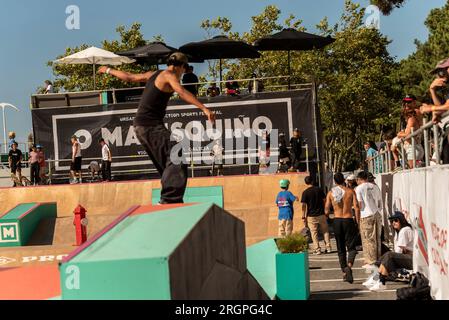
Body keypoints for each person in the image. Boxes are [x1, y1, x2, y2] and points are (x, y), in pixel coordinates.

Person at [98, 52, 215, 204]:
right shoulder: (169, 75)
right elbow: (181, 92)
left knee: (167, 164)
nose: (182, 75)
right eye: (184, 71)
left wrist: (107, 70)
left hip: (141, 126)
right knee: (175, 153)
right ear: (181, 67)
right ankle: (169, 199)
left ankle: (168, 197)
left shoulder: (155, 74)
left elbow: (130, 77)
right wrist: (204, 108)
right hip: (149, 125)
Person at [325, 173, 361, 284]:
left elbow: (326, 210)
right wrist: (357, 222)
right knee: (351, 248)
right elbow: (357, 207)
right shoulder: (350, 192)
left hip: (337, 220)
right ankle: (349, 266)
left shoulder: (331, 193)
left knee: (340, 249)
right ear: (344, 180)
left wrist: (330, 219)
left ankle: (344, 272)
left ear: (335, 182)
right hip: (348, 219)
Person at [365, 211, 414, 292]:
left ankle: (380, 281)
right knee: (388, 256)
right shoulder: (399, 231)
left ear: (401, 220)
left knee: (389, 256)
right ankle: (377, 278)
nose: (393, 223)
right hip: (409, 258)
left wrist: (390, 262)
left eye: (396, 220)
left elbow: (398, 252)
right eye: (392, 221)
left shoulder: (404, 230)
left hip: (413, 260)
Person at [356, 171, 383, 269]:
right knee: (377, 238)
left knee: (368, 239)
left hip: (366, 214)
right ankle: (377, 259)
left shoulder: (359, 188)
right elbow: (380, 202)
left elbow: (359, 205)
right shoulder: (375, 187)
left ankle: (370, 261)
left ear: (359, 179)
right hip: (377, 213)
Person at [301, 176, 332, 255]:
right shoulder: (319, 189)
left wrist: (303, 216)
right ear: (312, 181)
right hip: (321, 214)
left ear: (306, 183)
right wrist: (326, 210)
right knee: (325, 231)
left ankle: (317, 249)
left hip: (311, 215)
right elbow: (324, 200)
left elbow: (304, 206)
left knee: (314, 233)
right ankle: (328, 247)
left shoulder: (305, 192)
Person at [396, 96, 424, 169]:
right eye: (405, 102)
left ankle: (398, 165)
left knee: (413, 174)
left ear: (414, 102)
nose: (406, 104)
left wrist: (399, 134)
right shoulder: (417, 113)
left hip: (413, 149)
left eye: (409, 102)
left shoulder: (412, 117)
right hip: (416, 147)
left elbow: (408, 135)